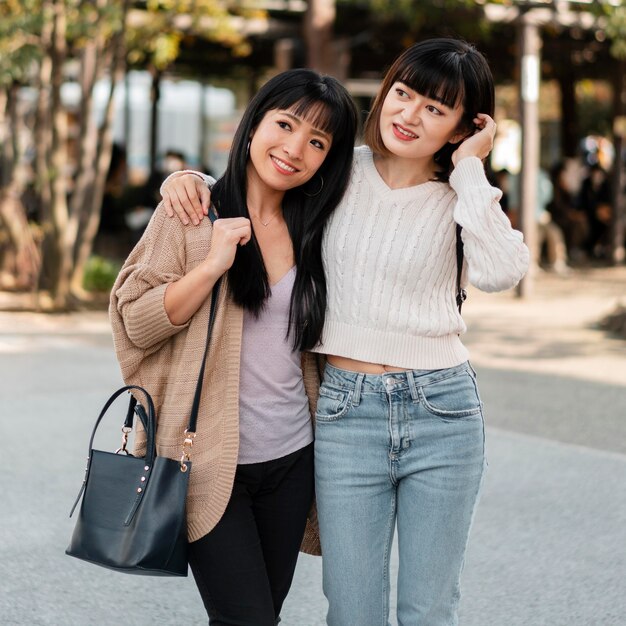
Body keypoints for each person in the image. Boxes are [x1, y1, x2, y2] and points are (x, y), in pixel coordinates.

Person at [162, 38, 530, 626]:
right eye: (404, 95)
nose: (408, 115)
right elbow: (266, 174)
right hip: (344, 412)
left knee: (428, 609)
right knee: (353, 610)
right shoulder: (337, 177)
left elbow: (503, 270)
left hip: (443, 411)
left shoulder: (463, 195)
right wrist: (185, 180)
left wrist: (470, 169)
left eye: (436, 109)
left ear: (464, 126)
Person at [109, 68, 359, 626]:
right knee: (247, 618)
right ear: (254, 124)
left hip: (294, 459)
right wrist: (212, 265)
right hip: (207, 459)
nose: (295, 148)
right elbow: (135, 322)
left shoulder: (318, 229)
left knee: (258, 615)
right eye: (286, 124)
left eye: (317, 141)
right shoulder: (192, 215)